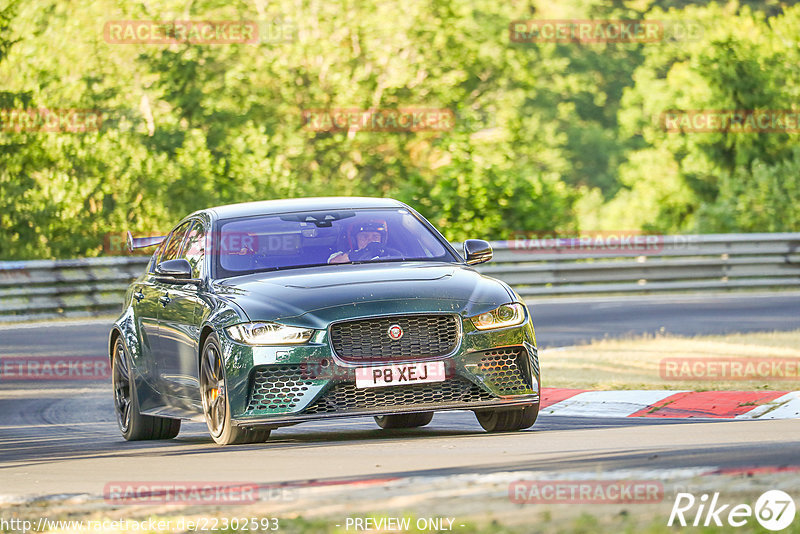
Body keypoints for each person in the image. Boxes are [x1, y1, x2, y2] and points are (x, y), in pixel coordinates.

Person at [328, 220, 401, 264]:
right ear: (354, 240)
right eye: (364, 236)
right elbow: (333, 262)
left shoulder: (391, 255)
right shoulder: (344, 256)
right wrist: (363, 252)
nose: (370, 240)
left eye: (375, 237)